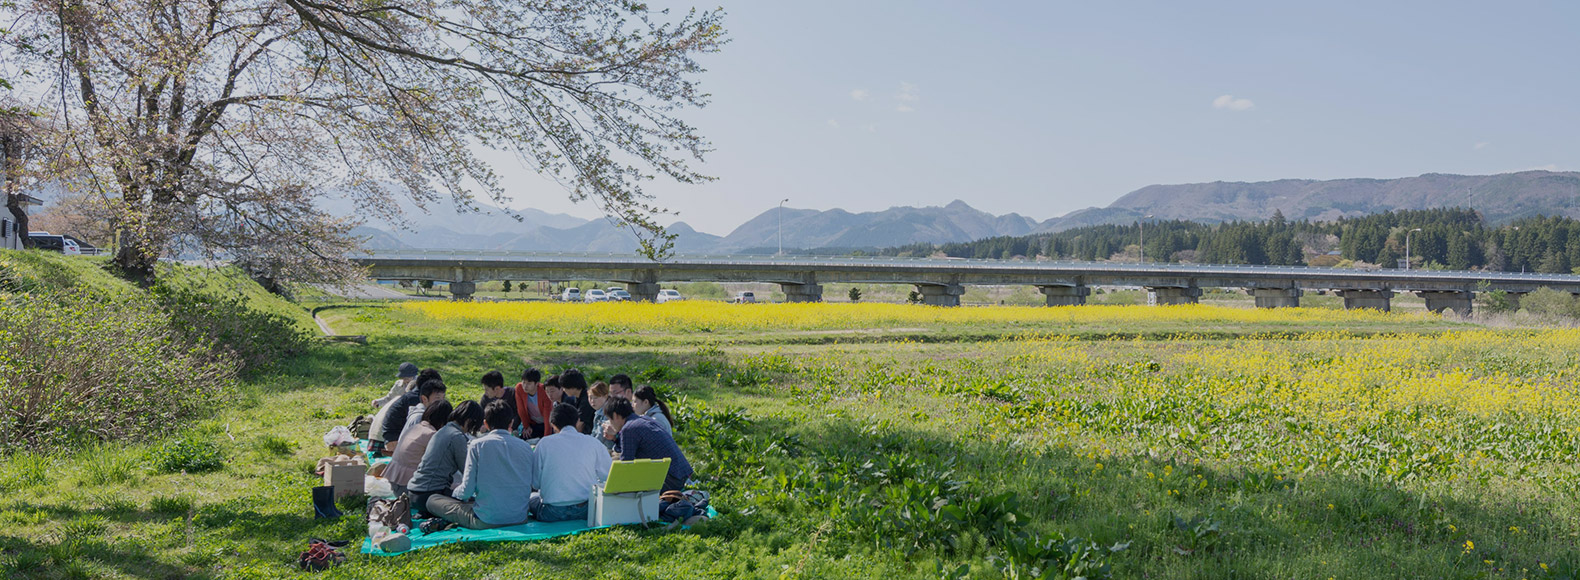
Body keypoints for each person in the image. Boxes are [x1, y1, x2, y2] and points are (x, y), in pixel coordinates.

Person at [427, 400, 536, 529]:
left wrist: (454, 493)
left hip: (486, 520)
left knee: (432, 500)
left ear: (486, 424)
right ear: (511, 422)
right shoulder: (526, 447)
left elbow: (466, 491)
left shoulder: (477, 445)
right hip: (519, 517)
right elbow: (533, 483)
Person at [530, 404, 613, 522]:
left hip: (552, 512)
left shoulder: (544, 443)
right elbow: (608, 475)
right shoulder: (593, 442)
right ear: (577, 421)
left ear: (552, 424)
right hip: (586, 509)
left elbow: (535, 483)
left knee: (533, 498)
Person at [407, 400, 485, 518]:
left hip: (414, 492)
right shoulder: (456, 437)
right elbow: (468, 471)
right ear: (469, 421)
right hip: (430, 494)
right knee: (476, 508)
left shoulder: (443, 431)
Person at [604, 398, 691, 493]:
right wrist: (615, 438)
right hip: (680, 474)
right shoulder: (642, 419)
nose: (610, 423)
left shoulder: (628, 428)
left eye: (609, 419)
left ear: (615, 416)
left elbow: (626, 465)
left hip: (671, 479)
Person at [385, 400, 451, 494]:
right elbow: (441, 463)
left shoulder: (416, 427)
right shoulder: (432, 435)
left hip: (394, 478)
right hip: (408, 486)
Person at [392, 379, 447, 450]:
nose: (441, 402)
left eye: (443, 398)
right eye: (437, 398)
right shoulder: (419, 417)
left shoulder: (421, 413)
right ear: (424, 399)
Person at [511, 368, 555, 438]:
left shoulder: (544, 391)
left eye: (529, 383)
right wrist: (526, 426)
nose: (525, 386)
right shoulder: (519, 388)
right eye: (524, 382)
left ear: (537, 383)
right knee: (525, 437)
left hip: (547, 423)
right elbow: (521, 409)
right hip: (533, 423)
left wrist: (547, 437)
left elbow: (548, 415)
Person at [558, 369, 595, 434]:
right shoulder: (577, 398)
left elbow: (580, 425)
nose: (564, 390)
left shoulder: (586, 400)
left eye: (565, 387)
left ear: (572, 387)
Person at [586, 382, 615, 449]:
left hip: (610, 449)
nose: (592, 401)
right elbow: (594, 433)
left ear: (605, 396)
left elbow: (600, 436)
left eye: (595, 397)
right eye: (590, 397)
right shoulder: (598, 412)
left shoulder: (608, 411)